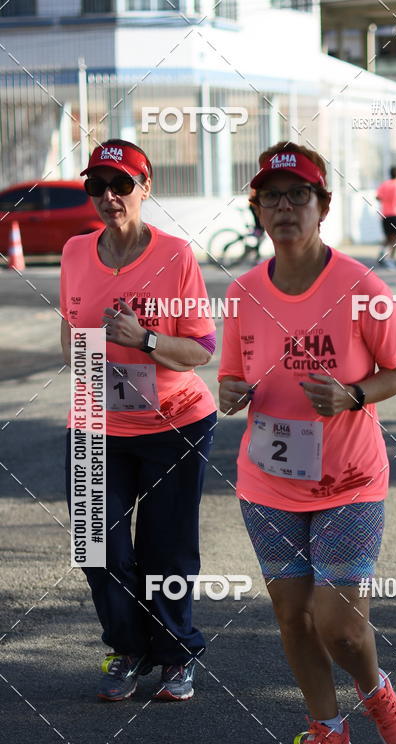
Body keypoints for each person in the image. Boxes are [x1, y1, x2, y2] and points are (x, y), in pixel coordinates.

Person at [218, 142, 396, 744]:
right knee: (291, 616)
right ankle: (328, 730)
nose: (284, 208)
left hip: (349, 480)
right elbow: (229, 378)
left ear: (323, 205)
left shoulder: (362, 286)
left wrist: (355, 394)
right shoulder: (243, 293)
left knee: (341, 625)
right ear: (257, 210)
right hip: (268, 483)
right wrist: (229, 394)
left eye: (297, 195)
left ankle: (376, 690)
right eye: (270, 197)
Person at [60, 139, 217, 702]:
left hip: (175, 423)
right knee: (97, 547)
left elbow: (202, 351)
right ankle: (128, 649)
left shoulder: (176, 256)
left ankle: (176, 654)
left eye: (121, 185)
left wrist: (145, 339)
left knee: (167, 548)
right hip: (96, 424)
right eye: (97, 186)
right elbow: (70, 340)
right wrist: (92, 360)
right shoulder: (76, 252)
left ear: (145, 189)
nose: (108, 196)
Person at [376, 165, 396, 269]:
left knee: (387, 236)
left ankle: (382, 252)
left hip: (385, 214)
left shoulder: (384, 185)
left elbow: (378, 197)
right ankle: (391, 259)